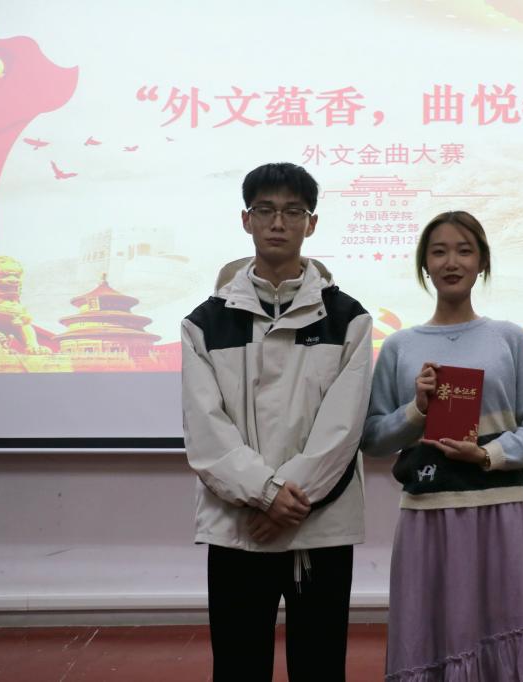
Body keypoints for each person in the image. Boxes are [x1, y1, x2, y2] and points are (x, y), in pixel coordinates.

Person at [181, 162, 373, 681]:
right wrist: (264, 494)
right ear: (246, 219)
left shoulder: (348, 318)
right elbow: (205, 428)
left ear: (312, 223)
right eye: (265, 210)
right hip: (240, 525)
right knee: (238, 667)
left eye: (293, 211)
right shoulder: (204, 322)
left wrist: (285, 502)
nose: (278, 222)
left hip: (319, 527)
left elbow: (343, 428)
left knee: (320, 667)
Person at [362, 210, 523, 682]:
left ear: (482, 262)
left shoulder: (509, 338)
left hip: (500, 509)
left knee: (504, 627)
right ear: (424, 265)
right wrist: (417, 409)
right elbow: (372, 439)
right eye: (439, 252)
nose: (451, 262)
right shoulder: (399, 346)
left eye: (464, 251)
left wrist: (488, 455)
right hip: (427, 514)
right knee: (432, 635)